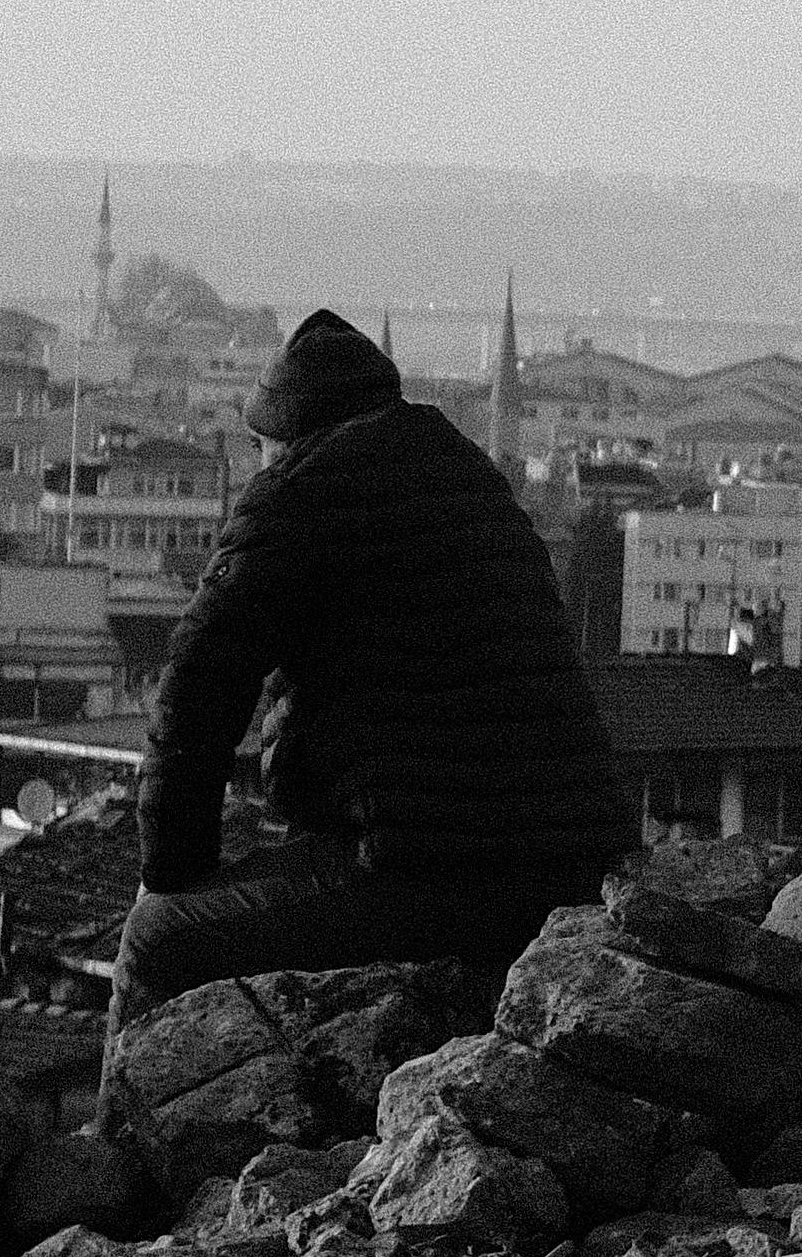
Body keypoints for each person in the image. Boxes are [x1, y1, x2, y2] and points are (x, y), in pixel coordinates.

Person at [117, 309, 627, 1015]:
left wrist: (172, 873)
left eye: (260, 446)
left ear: (281, 435)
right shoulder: (476, 484)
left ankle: (124, 1126)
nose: (258, 464)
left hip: (424, 875)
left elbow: (196, 697)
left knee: (157, 939)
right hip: (575, 869)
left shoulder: (295, 495)